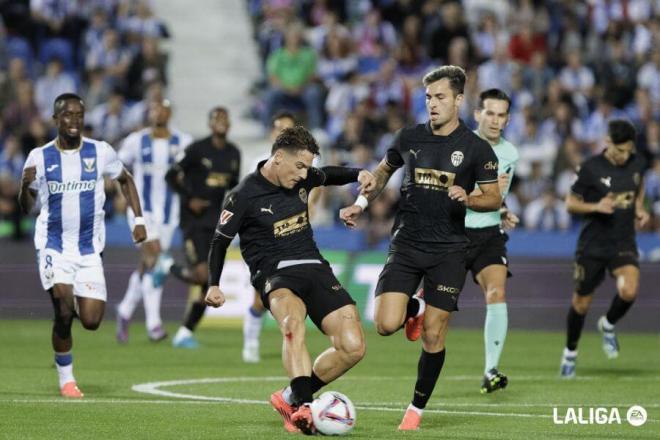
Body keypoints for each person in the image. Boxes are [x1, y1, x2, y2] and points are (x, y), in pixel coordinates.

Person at [340, 65, 502, 431]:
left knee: (433, 333)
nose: (432, 103)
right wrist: (360, 205)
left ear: (459, 100)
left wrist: (469, 197)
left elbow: (493, 198)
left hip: (449, 249)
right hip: (408, 242)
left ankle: (415, 409)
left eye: (440, 97)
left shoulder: (476, 149)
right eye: (428, 97)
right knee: (384, 324)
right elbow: (382, 173)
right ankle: (414, 305)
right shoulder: (408, 137)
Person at [204, 126, 374, 434]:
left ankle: (288, 396)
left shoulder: (304, 177)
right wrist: (213, 284)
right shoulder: (242, 196)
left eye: (307, 167)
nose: (305, 174)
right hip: (275, 272)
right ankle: (304, 408)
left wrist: (359, 173)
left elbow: (329, 174)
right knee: (292, 327)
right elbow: (219, 241)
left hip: (314, 266)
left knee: (353, 347)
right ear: (278, 158)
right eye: (300, 166)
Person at [18, 93, 146, 398]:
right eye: (67, 115)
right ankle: (67, 379)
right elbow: (26, 207)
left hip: (89, 251)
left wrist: (138, 221)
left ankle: (67, 311)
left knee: (90, 321)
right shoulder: (39, 156)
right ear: (56, 119)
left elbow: (125, 179)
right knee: (63, 312)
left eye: (79, 115)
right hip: (53, 247)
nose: (74, 120)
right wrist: (25, 185)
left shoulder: (100, 152)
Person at [559, 119, 649, 378]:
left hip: (623, 241)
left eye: (628, 151)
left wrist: (639, 207)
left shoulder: (637, 162)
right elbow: (570, 203)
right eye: (619, 151)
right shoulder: (590, 168)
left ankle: (608, 325)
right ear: (607, 142)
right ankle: (570, 353)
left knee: (629, 290)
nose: (624, 156)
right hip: (593, 245)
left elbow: (638, 183)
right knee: (581, 304)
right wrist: (595, 207)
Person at [155, 106, 241, 348]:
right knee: (203, 275)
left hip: (216, 222)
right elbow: (172, 175)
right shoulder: (197, 149)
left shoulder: (234, 153)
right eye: (217, 118)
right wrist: (189, 197)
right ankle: (167, 266)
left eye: (225, 118)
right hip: (193, 222)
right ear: (210, 124)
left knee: (208, 283)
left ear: (230, 124)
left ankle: (185, 332)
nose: (222, 122)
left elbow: (234, 189)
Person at [114, 98, 192, 343]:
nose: (158, 112)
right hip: (141, 211)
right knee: (155, 255)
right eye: (155, 108)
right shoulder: (136, 140)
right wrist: (120, 195)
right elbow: (117, 168)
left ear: (170, 112)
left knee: (151, 265)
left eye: (163, 108)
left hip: (169, 213)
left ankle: (125, 309)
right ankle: (153, 324)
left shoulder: (184, 142)